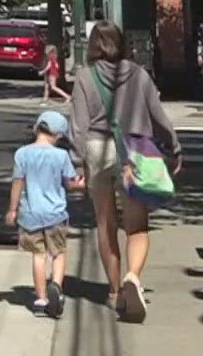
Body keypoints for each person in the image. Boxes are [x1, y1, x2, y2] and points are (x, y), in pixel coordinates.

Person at [68, 21, 182, 325]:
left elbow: (77, 127)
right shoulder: (139, 74)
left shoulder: (83, 76)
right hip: (134, 153)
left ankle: (115, 291)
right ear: (121, 43)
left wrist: (77, 164)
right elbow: (158, 115)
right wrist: (173, 145)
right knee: (137, 226)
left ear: (93, 45)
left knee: (105, 225)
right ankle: (133, 276)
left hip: (96, 150)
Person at [6, 111, 83, 318]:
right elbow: (70, 182)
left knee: (38, 255)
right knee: (58, 252)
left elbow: (18, 182)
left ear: (36, 129)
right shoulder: (61, 156)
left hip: (30, 214)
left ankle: (40, 298)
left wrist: (13, 209)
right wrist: (81, 184)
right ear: (58, 136)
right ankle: (56, 285)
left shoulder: (22, 154)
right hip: (55, 213)